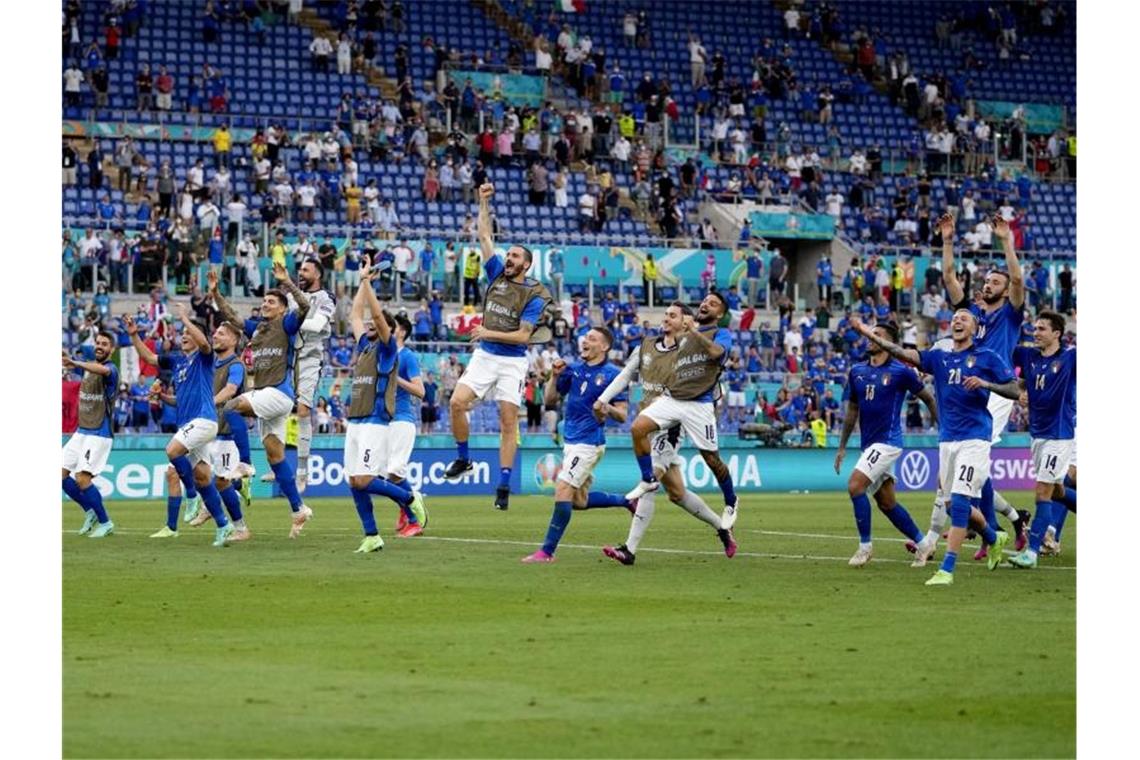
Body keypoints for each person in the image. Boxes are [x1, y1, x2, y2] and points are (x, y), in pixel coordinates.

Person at [852, 310, 1021, 586]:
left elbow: (1014, 390)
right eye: (955, 318)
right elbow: (903, 353)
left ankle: (947, 569)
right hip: (947, 440)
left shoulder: (987, 356)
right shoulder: (939, 357)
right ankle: (994, 537)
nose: (957, 321)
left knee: (962, 502)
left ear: (975, 328)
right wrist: (868, 334)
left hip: (975, 439)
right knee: (954, 507)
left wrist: (985, 383)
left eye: (964, 318)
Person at [596, 303, 737, 564]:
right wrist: (603, 399)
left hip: (672, 425)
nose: (666, 319)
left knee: (651, 483)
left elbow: (709, 378)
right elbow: (626, 375)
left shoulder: (689, 349)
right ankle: (722, 528)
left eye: (673, 315)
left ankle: (629, 550)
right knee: (677, 494)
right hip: (651, 418)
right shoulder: (647, 345)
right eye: (666, 314)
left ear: (686, 321)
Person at [444, 183, 553, 511]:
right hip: (485, 356)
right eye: (509, 254)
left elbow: (522, 337)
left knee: (508, 422)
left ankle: (503, 483)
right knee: (456, 404)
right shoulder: (496, 274)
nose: (509, 258)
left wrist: (487, 331)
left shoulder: (534, 294)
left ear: (526, 265)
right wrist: (482, 202)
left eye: (516, 256)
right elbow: (484, 237)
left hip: (512, 362)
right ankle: (464, 460)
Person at [936, 212, 1030, 556]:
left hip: (996, 389)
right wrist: (947, 240)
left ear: (1005, 292)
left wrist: (1006, 240)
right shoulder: (972, 316)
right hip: (968, 388)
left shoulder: (1010, 314)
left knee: (974, 465)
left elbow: (1018, 279)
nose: (987, 285)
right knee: (976, 468)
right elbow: (948, 276)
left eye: (994, 282)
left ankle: (984, 532)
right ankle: (1009, 522)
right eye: (986, 281)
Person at [210, 265, 314, 537]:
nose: (265, 304)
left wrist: (287, 282)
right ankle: (298, 509)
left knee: (232, 405)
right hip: (268, 396)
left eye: (271, 301)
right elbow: (232, 317)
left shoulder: (288, 323)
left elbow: (304, 307)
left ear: (282, 308)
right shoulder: (258, 329)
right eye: (264, 301)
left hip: (278, 392)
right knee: (275, 455)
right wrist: (216, 295)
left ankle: (244, 462)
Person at [624, 292, 741, 529]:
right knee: (638, 428)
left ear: (720, 313)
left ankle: (731, 501)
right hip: (674, 399)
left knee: (711, 459)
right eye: (705, 301)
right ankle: (648, 479)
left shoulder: (721, 334)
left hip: (698, 404)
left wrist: (694, 331)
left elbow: (718, 354)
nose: (706, 304)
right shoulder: (683, 336)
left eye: (713, 304)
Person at [522, 327, 634, 563]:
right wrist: (554, 375)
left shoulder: (614, 374)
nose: (585, 341)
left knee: (562, 488)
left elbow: (623, 415)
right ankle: (627, 501)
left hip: (589, 442)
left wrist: (606, 408)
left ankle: (546, 552)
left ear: (604, 347)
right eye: (585, 338)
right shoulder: (571, 369)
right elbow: (551, 400)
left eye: (592, 339)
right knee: (578, 501)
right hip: (571, 441)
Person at [126, 306, 234, 547]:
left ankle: (192, 496)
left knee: (172, 451)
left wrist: (185, 316)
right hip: (190, 425)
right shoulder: (177, 362)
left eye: (188, 332)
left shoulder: (205, 357)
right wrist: (134, 335)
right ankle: (223, 525)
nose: (183, 335)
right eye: (182, 332)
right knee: (204, 477)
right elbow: (149, 358)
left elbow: (205, 344)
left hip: (204, 420)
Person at [834, 321, 938, 566]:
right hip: (869, 445)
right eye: (870, 333)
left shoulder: (901, 372)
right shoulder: (857, 371)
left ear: (888, 342)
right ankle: (924, 545)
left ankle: (865, 547)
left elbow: (928, 398)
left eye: (876, 335)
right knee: (887, 503)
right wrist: (841, 447)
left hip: (888, 442)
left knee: (854, 486)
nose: (870, 337)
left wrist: (944, 430)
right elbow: (852, 411)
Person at [342, 261, 426, 553]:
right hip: (356, 420)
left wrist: (369, 286)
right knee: (354, 481)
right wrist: (362, 281)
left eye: (376, 324)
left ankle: (408, 498)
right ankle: (372, 535)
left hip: (376, 420)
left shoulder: (388, 349)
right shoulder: (364, 345)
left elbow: (377, 315)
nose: (368, 324)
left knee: (365, 478)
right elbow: (355, 314)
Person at [1008, 311, 1077, 569]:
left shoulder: (1071, 357)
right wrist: (1020, 393)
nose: (1035, 332)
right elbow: (1018, 381)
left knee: (1042, 491)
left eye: (1041, 329)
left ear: (1056, 333)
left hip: (1059, 435)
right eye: (1034, 328)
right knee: (1057, 489)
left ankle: (1032, 552)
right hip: (1037, 434)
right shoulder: (1028, 356)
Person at [184, 320, 253, 540]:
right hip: (208, 431)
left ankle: (241, 529)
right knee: (200, 476)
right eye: (215, 332)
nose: (215, 336)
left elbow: (231, 389)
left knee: (221, 481)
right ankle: (222, 495)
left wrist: (209, 403)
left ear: (233, 340)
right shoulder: (210, 363)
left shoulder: (235, 365)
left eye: (221, 334)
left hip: (226, 434)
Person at [61, 332, 119, 538]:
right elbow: (88, 366)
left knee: (83, 478)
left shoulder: (111, 369)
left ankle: (106, 522)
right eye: (98, 343)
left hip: (99, 432)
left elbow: (101, 369)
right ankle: (90, 511)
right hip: (82, 431)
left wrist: (75, 362)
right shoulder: (88, 366)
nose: (100, 346)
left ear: (111, 349)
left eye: (105, 344)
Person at [290, 258, 337, 494]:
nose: (301, 273)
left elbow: (317, 325)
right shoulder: (291, 295)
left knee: (303, 410)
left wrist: (289, 323)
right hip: (287, 359)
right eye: (299, 269)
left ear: (317, 274)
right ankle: (273, 463)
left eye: (305, 270)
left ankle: (301, 470)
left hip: (310, 359)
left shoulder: (326, 298)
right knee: (270, 405)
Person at [389, 314, 429, 537]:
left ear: (402, 331)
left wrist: (396, 378)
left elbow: (420, 391)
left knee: (394, 471)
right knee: (386, 475)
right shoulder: (383, 355)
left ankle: (412, 511)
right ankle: (409, 503)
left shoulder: (407, 357)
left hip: (402, 420)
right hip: (384, 422)